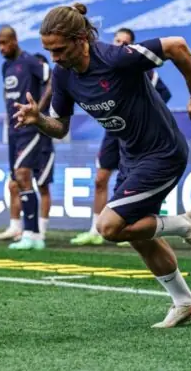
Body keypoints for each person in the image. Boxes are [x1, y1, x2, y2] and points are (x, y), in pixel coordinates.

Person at [14, 2, 191, 328]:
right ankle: (185, 302)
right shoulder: (63, 75)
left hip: (163, 153)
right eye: (49, 51)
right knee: (135, 235)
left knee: (109, 227)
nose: (55, 58)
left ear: (81, 39)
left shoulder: (117, 58)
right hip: (132, 157)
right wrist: (38, 119)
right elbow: (60, 127)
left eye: (60, 49)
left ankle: (186, 226)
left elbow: (177, 45)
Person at [72, 27, 173, 247]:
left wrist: (143, 112)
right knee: (100, 179)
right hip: (113, 132)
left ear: (131, 46)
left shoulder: (144, 70)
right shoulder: (101, 65)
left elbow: (164, 94)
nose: (119, 45)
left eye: (124, 42)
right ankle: (94, 229)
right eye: (117, 40)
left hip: (140, 135)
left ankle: (131, 225)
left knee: (136, 180)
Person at [0, 26, 51, 250]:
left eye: (5, 43)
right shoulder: (6, 66)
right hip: (13, 130)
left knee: (24, 174)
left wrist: (39, 110)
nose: (1, 48)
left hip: (30, 127)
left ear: (15, 40)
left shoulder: (30, 61)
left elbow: (51, 79)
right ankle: (32, 234)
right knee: (18, 180)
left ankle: (32, 233)